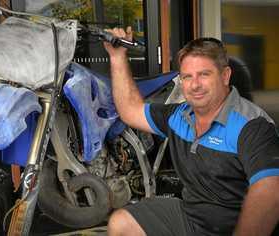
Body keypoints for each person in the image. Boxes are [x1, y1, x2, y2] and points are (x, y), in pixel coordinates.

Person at [103, 27, 279, 236]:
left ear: (225, 76)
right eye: (187, 77)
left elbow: (270, 191)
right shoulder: (179, 116)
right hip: (192, 218)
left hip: (234, 227)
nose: (195, 85)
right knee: (122, 224)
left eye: (204, 74)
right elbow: (130, 111)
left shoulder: (250, 125)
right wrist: (117, 56)